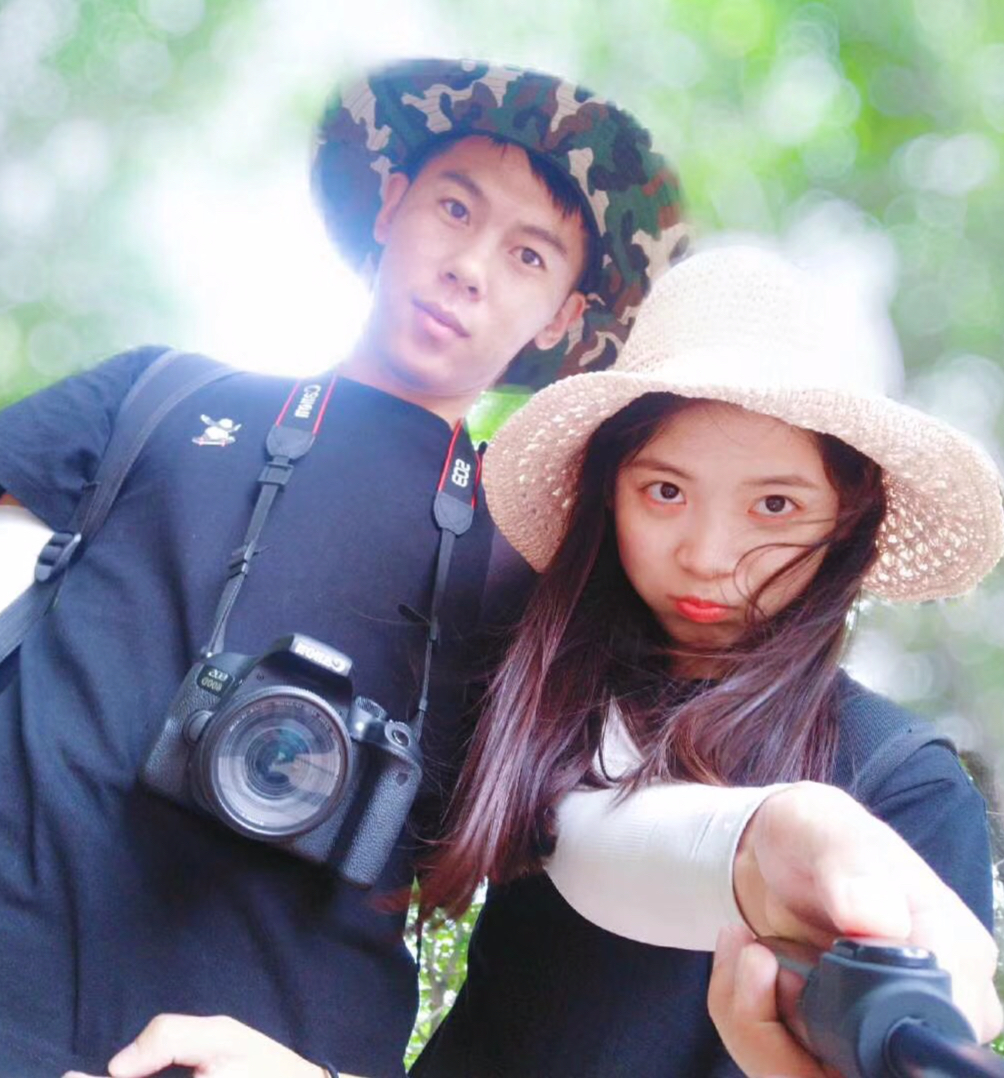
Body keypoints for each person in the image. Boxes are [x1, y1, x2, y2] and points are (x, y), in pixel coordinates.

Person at [73, 247, 1004, 1078]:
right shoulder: (545, 705)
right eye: (666, 490)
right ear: (609, 493)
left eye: (775, 506)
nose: (707, 555)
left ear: (848, 517)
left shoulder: (901, 786)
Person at [0, 57, 687, 1077]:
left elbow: (607, 849)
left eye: (528, 255)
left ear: (559, 316)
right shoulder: (162, 397)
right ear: (391, 203)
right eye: (454, 207)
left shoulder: (536, 578)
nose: (470, 266)